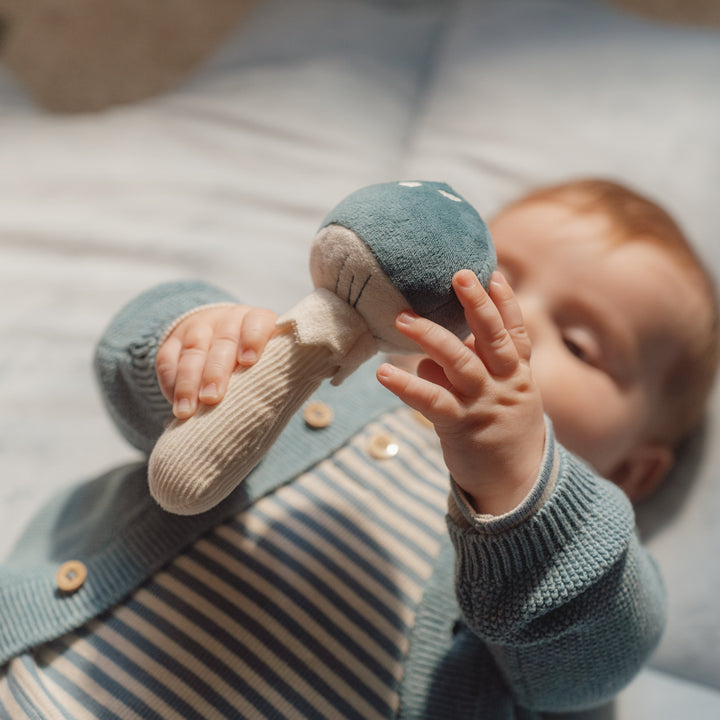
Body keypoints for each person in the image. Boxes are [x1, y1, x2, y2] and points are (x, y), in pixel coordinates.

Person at [0, 179, 716, 719]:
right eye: (486, 275)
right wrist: (191, 341)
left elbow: (593, 663)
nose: (503, 316)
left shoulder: (573, 544)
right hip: (45, 679)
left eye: (583, 344)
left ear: (633, 468)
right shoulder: (325, 377)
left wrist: (528, 491)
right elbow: (141, 401)